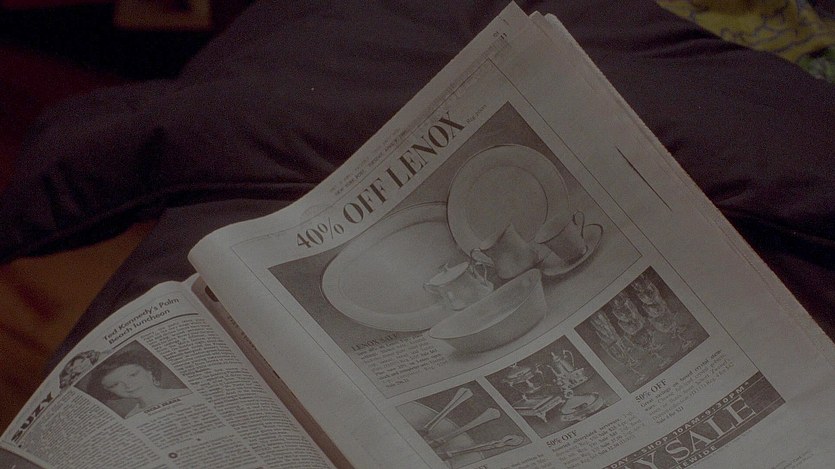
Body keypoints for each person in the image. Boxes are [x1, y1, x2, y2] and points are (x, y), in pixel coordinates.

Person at [91, 349, 189, 418]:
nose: (128, 385)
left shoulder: (185, 394)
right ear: (109, 391)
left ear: (149, 370)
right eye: (115, 384)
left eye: (133, 375)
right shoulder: (130, 417)